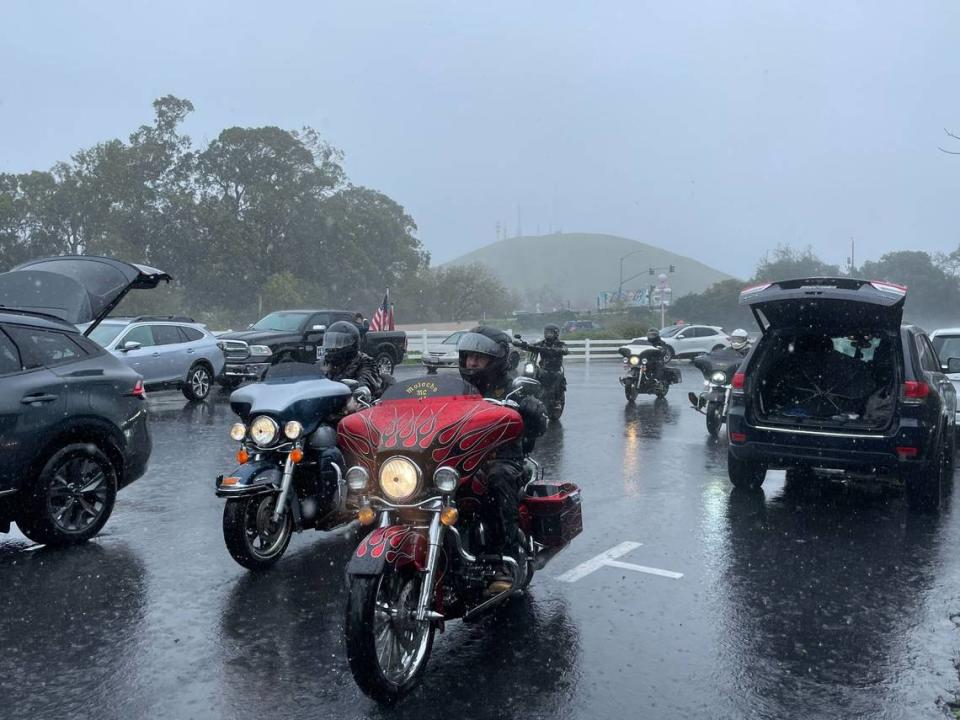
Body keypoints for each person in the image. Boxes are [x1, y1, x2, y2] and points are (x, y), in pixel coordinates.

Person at [457, 326, 547, 585]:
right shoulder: (457, 388)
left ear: (496, 361)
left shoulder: (511, 388)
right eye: (468, 356)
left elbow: (540, 423)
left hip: (504, 458)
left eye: (479, 357)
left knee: (496, 480)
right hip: (461, 457)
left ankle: (504, 559)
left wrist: (529, 409)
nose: (472, 362)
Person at [322, 321, 383, 398]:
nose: (333, 347)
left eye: (339, 343)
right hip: (327, 402)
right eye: (330, 342)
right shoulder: (326, 363)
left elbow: (366, 381)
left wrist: (358, 393)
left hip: (353, 404)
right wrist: (324, 374)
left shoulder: (365, 362)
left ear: (353, 343)